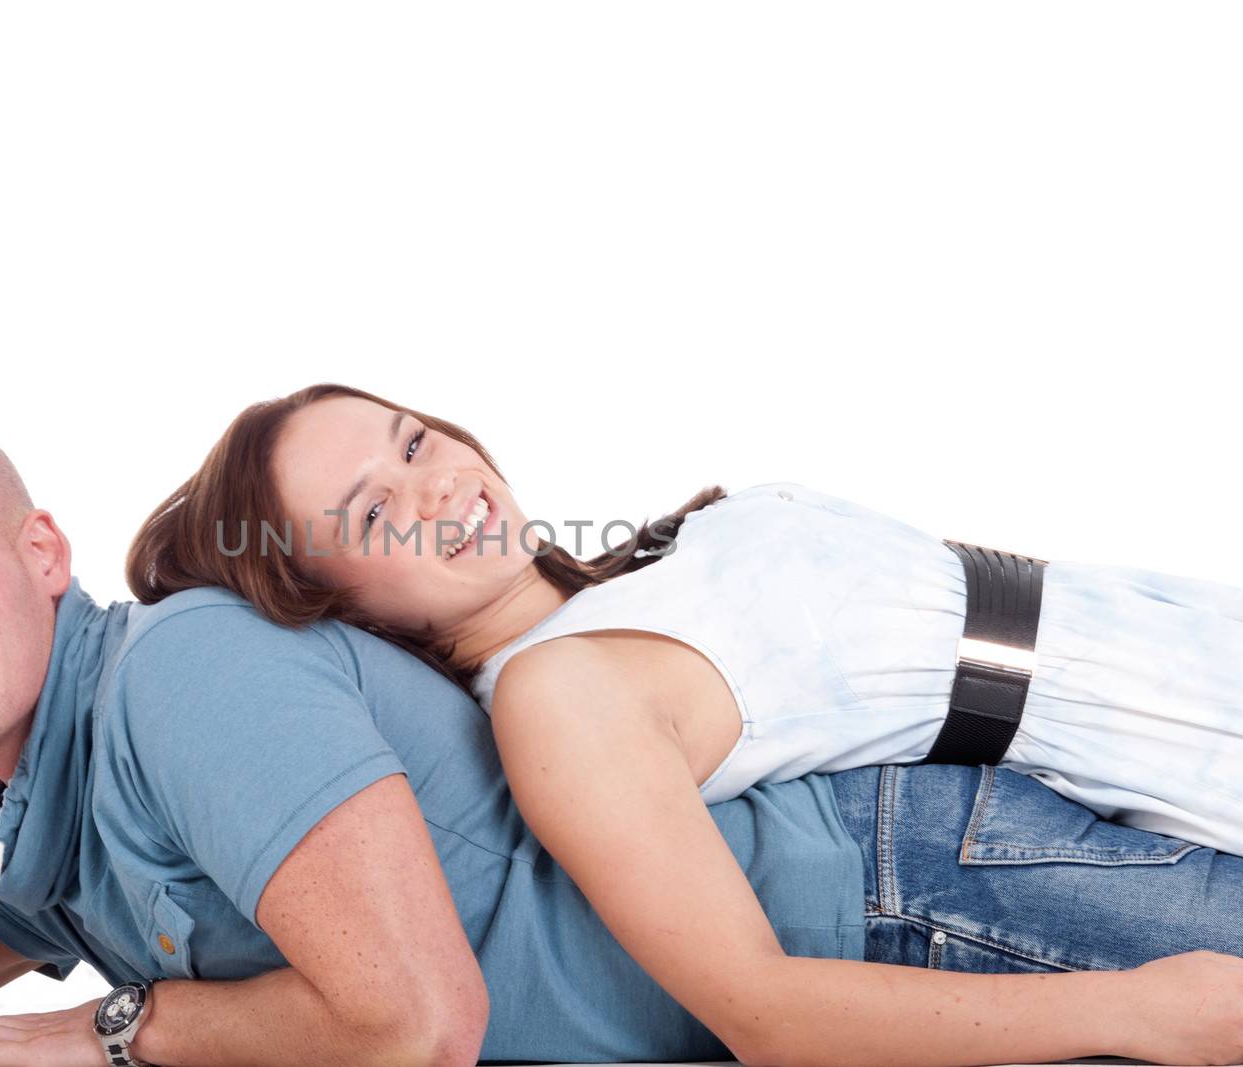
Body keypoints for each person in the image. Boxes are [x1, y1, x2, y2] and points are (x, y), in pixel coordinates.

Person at [0, 421, 1243, 1067]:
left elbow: (419, 1020)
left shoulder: (178, 677)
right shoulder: (31, 842)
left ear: (44, 553)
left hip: (899, 895)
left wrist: (111, 1034)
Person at [126, 382, 1243, 1062]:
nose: (432, 488)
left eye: (414, 442)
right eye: (372, 511)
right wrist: (1148, 1010)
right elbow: (763, 1008)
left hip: (1186, 656)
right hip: (1147, 782)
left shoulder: (636, 575)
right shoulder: (550, 695)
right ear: (337, 604)